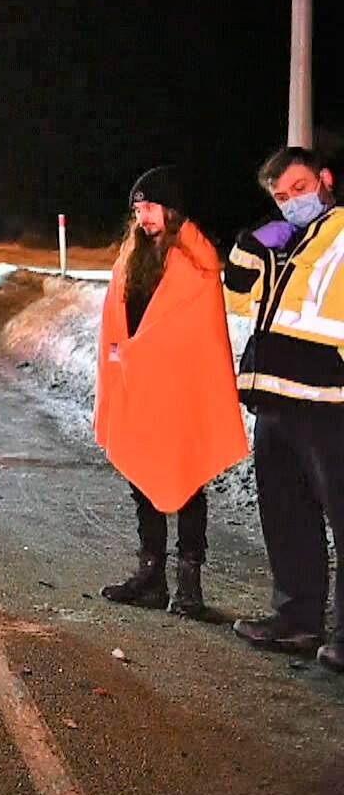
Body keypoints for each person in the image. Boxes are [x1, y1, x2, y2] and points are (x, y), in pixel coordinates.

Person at [93, 167, 248, 619]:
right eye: (138, 209)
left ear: (173, 210)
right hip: (138, 386)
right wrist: (123, 356)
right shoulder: (132, 257)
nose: (143, 217)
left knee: (187, 481)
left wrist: (141, 352)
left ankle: (188, 585)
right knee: (142, 479)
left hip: (180, 390)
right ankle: (151, 577)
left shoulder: (196, 263)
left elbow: (192, 334)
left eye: (151, 208)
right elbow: (117, 318)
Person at [224, 147, 344, 672]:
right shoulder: (292, 241)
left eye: (299, 188)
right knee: (287, 516)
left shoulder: (339, 233)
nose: (292, 201)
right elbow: (236, 298)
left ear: (324, 179)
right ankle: (297, 619)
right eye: (281, 197)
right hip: (276, 398)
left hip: (328, 401)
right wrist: (251, 244)